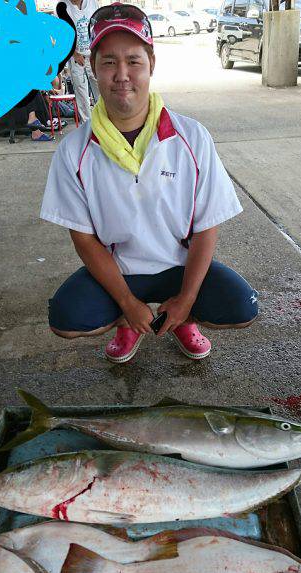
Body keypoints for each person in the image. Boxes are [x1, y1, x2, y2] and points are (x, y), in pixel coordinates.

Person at [41, 3, 258, 364]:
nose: (121, 74)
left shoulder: (192, 137)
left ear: (151, 64)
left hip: (180, 267)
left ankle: (183, 318)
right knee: (66, 318)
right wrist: (126, 302)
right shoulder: (74, 150)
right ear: (92, 68)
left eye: (133, 61)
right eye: (109, 62)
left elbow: (207, 227)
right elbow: (83, 238)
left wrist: (187, 299)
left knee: (241, 306)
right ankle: (127, 322)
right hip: (121, 272)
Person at [61, 0, 99, 122]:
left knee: (101, 91)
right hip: (76, 57)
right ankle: (87, 127)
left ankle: (105, 123)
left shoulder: (92, 3)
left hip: (94, 55)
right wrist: (75, 54)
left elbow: (98, 27)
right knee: (82, 95)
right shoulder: (62, 6)